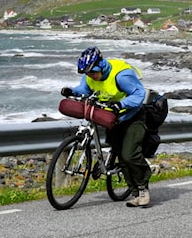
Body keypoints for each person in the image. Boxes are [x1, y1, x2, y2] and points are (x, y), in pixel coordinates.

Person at [60, 46, 153, 207]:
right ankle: (135, 193)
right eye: (88, 74)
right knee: (121, 156)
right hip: (112, 118)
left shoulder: (122, 75)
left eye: (93, 73)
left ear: (101, 66)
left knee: (130, 155)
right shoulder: (90, 75)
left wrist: (121, 104)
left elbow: (139, 95)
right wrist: (72, 91)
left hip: (133, 117)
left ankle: (144, 188)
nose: (91, 77)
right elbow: (85, 89)